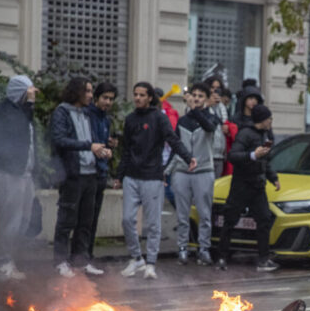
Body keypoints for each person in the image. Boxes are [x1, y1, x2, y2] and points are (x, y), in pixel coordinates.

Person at [118, 82, 195, 280]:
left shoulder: (159, 118)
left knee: (153, 224)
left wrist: (188, 158)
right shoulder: (130, 119)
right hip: (131, 177)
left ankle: (151, 263)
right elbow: (126, 149)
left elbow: (173, 139)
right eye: (135, 94)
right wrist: (119, 175)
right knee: (127, 220)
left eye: (142, 95)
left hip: (152, 176)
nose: (137, 98)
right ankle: (137, 258)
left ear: (150, 97)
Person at [49, 76, 110, 278]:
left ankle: (80, 261)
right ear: (77, 92)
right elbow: (59, 140)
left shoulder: (86, 113)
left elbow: (91, 139)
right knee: (66, 220)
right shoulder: (62, 112)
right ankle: (60, 262)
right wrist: (88, 146)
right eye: (88, 91)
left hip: (90, 174)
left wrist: (102, 149)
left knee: (86, 222)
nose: (91, 95)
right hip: (72, 174)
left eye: (92, 91)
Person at [220, 104, 281, 272]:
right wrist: (253, 155)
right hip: (241, 184)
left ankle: (263, 259)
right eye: (269, 118)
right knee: (230, 219)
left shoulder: (265, 134)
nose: (271, 121)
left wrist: (273, 178)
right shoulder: (245, 133)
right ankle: (222, 256)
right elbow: (233, 155)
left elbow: (265, 161)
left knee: (264, 219)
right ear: (262, 120)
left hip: (257, 185)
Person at [0, 75, 39, 281]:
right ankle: (2, 264)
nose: (33, 94)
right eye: (29, 90)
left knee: (24, 219)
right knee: (10, 220)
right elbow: (15, 132)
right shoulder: (6, 111)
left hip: (25, 174)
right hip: (10, 174)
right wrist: (29, 105)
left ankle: (10, 260)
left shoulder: (22, 111)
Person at [168, 81, 219, 266]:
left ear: (206, 99)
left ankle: (204, 248)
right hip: (182, 171)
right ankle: (182, 248)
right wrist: (166, 171)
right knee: (183, 214)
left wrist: (195, 110)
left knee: (204, 213)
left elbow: (209, 127)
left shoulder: (211, 118)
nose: (196, 99)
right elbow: (176, 147)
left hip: (204, 171)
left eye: (200, 96)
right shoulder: (183, 121)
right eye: (194, 95)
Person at [86, 81, 118, 260]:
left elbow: (102, 141)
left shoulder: (106, 119)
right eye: (105, 98)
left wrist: (110, 144)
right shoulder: (88, 115)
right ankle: (81, 256)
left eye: (111, 99)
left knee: (94, 217)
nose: (108, 102)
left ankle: (88, 255)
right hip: (89, 172)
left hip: (101, 172)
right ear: (96, 98)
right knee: (85, 218)